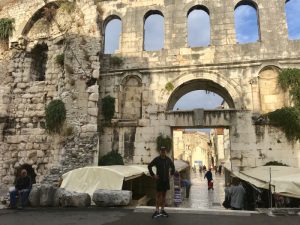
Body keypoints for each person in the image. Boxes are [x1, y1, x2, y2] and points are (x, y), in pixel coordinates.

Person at [148, 146, 175, 218]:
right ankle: (157, 210)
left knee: (164, 196)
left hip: (166, 181)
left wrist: (171, 174)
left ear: (166, 151)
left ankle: (162, 210)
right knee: (158, 196)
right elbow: (149, 166)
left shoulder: (168, 160)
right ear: (160, 151)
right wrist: (153, 175)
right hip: (159, 181)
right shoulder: (157, 159)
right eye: (162, 151)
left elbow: (173, 167)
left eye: (164, 151)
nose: (163, 152)